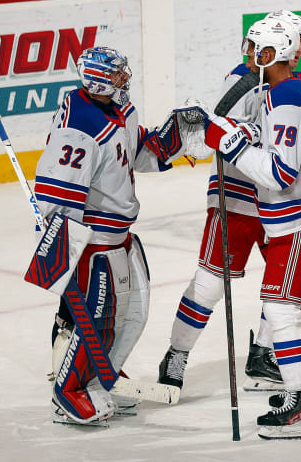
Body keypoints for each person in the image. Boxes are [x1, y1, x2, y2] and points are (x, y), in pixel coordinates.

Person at [157, 10, 301, 396]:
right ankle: (176, 353)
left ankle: (264, 353)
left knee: (287, 292)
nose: (249, 54)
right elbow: (226, 131)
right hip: (238, 195)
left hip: (278, 200)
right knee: (211, 285)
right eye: (249, 46)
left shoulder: (297, 87)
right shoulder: (243, 79)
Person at [40, 46, 203, 425]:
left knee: (135, 312)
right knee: (98, 319)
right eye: (117, 75)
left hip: (122, 236)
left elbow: (137, 151)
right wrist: (64, 248)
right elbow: (57, 195)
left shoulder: (118, 110)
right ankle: (70, 391)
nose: (125, 79)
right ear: (97, 80)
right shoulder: (78, 127)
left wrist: (175, 132)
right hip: (95, 240)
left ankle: (101, 377)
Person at [198, 17, 301, 439]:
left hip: (296, 218)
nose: (249, 53)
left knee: (282, 310)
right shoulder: (292, 88)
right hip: (297, 218)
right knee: (293, 308)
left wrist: (231, 144)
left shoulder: (287, 95)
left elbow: (281, 172)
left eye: (256, 47)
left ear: (271, 54)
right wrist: (246, 133)